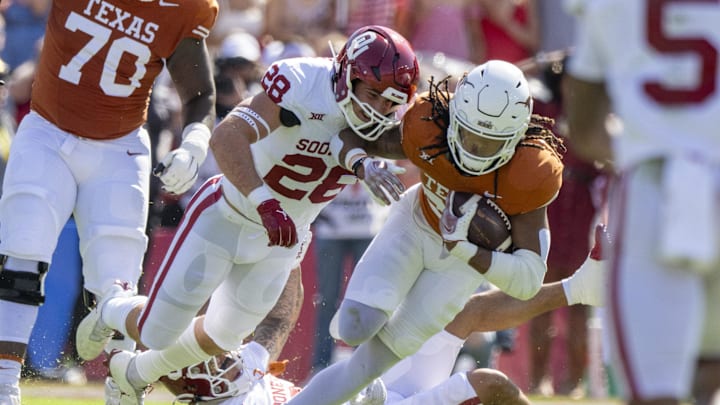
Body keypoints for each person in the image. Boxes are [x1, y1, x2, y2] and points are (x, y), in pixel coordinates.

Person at [74, 25, 420, 404]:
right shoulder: (302, 82)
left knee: (222, 337)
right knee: (156, 332)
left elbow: (350, 138)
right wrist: (264, 202)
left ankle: (131, 373)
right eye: (373, 95)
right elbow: (226, 137)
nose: (381, 110)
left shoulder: (375, 118)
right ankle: (112, 303)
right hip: (229, 213)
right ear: (348, 75)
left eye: (391, 102)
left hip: (283, 236)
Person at [285, 60, 565, 405]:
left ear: (515, 136)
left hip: (459, 267)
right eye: (469, 134)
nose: (474, 148)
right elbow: (345, 138)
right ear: (455, 118)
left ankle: (372, 395)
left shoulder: (530, 172)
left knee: (372, 362)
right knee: (354, 327)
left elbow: (527, 281)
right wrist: (363, 164)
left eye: (489, 142)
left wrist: (464, 249)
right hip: (416, 223)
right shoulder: (429, 124)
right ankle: (373, 393)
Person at [0, 1, 219, 404]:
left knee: (117, 279)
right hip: (47, 130)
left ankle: (121, 387)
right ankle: (3, 384)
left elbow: (200, 92)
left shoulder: (184, 8)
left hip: (119, 147)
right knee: (22, 253)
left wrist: (194, 144)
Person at [156, 229, 607, 405]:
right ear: (194, 387)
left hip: (372, 393)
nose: (220, 356)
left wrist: (289, 247)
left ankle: (582, 287)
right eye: (208, 362)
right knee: (488, 384)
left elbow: (277, 319)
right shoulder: (228, 401)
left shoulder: (241, 374)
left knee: (460, 314)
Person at [563, 1, 720, 404]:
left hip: (659, 184)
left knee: (654, 389)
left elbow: (582, 124)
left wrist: (642, 146)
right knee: (709, 371)